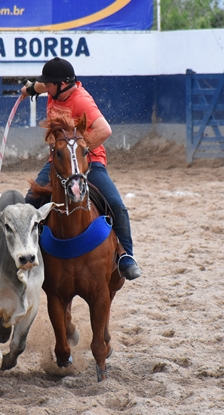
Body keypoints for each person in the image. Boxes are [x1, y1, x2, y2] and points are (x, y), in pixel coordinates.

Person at [21, 57, 142, 281]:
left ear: (63, 84)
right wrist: (30, 89)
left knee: (116, 204)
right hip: (57, 164)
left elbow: (105, 130)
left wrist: (79, 154)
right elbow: (39, 85)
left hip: (90, 162)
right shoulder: (53, 89)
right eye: (46, 85)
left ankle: (126, 256)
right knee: (30, 201)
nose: (46, 88)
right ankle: (27, 253)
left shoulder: (81, 101)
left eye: (49, 85)